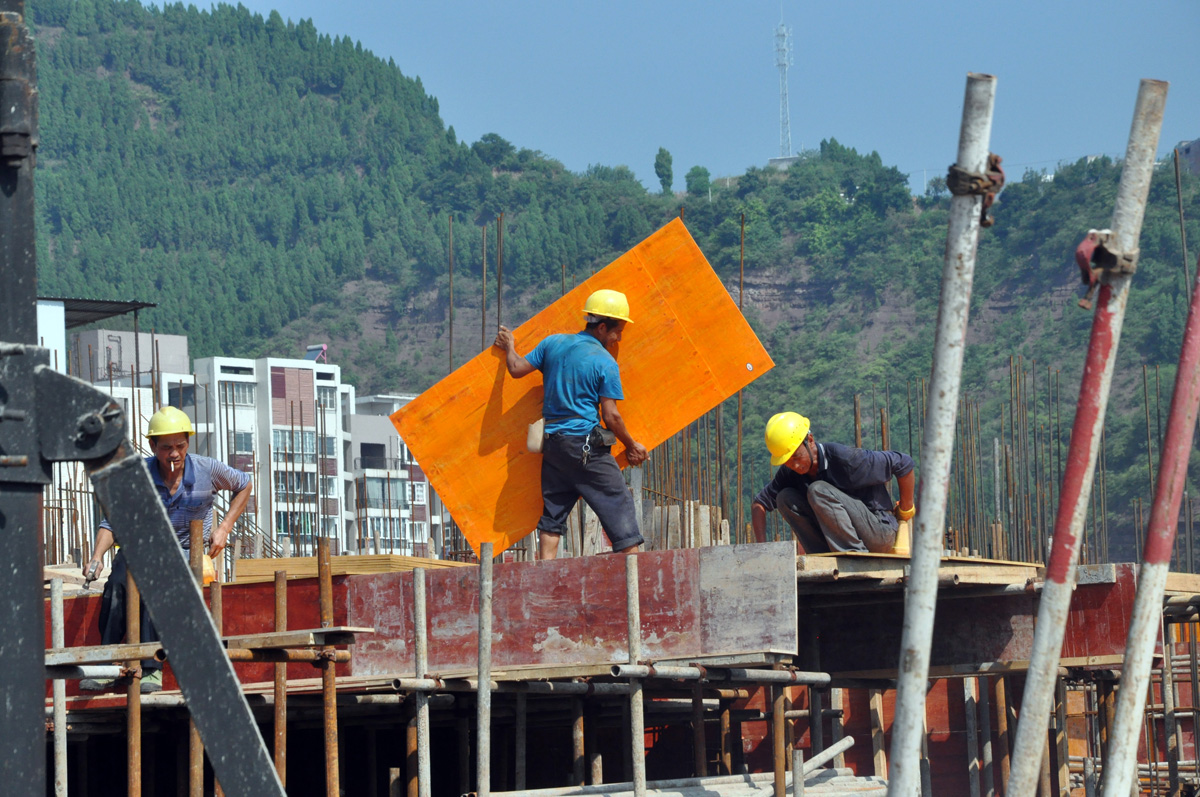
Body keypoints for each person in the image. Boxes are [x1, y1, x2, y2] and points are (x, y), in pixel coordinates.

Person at [80, 406, 253, 692]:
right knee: (116, 585)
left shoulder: (207, 470)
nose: (174, 454)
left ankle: (151, 667)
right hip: (142, 548)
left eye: (180, 446)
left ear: (188, 443)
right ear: (152, 446)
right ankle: (106, 663)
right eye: (166, 448)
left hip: (186, 552)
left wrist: (223, 528)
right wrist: (97, 557)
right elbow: (112, 522)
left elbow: (244, 485)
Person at [494, 288, 649, 559]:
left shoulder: (552, 344)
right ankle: (632, 570)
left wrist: (509, 346)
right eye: (618, 331)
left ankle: (545, 576)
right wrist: (632, 445)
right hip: (586, 448)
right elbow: (611, 416)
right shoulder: (605, 362)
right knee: (619, 503)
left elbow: (516, 369)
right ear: (602, 327)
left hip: (554, 447)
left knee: (553, 514)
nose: (619, 337)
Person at [751, 411, 915, 554]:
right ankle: (822, 554)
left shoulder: (846, 459)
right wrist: (763, 549)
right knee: (784, 498)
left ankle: (853, 555)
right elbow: (759, 504)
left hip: (879, 533)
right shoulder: (791, 472)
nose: (794, 465)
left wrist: (906, 509)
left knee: (818, 490)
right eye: (787, 461)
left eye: (796, 456)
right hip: (836, 540)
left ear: (810, 440)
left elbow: (903, 463)